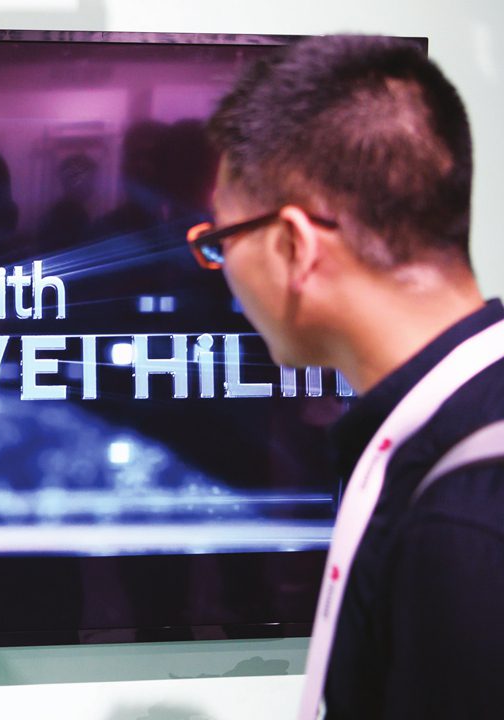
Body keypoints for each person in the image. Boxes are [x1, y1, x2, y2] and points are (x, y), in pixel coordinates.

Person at [189, 35, 504, 719]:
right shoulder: (433, 431)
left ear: (294, 245)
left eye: (220, 242)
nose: (224, 273)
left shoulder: (464, 513)